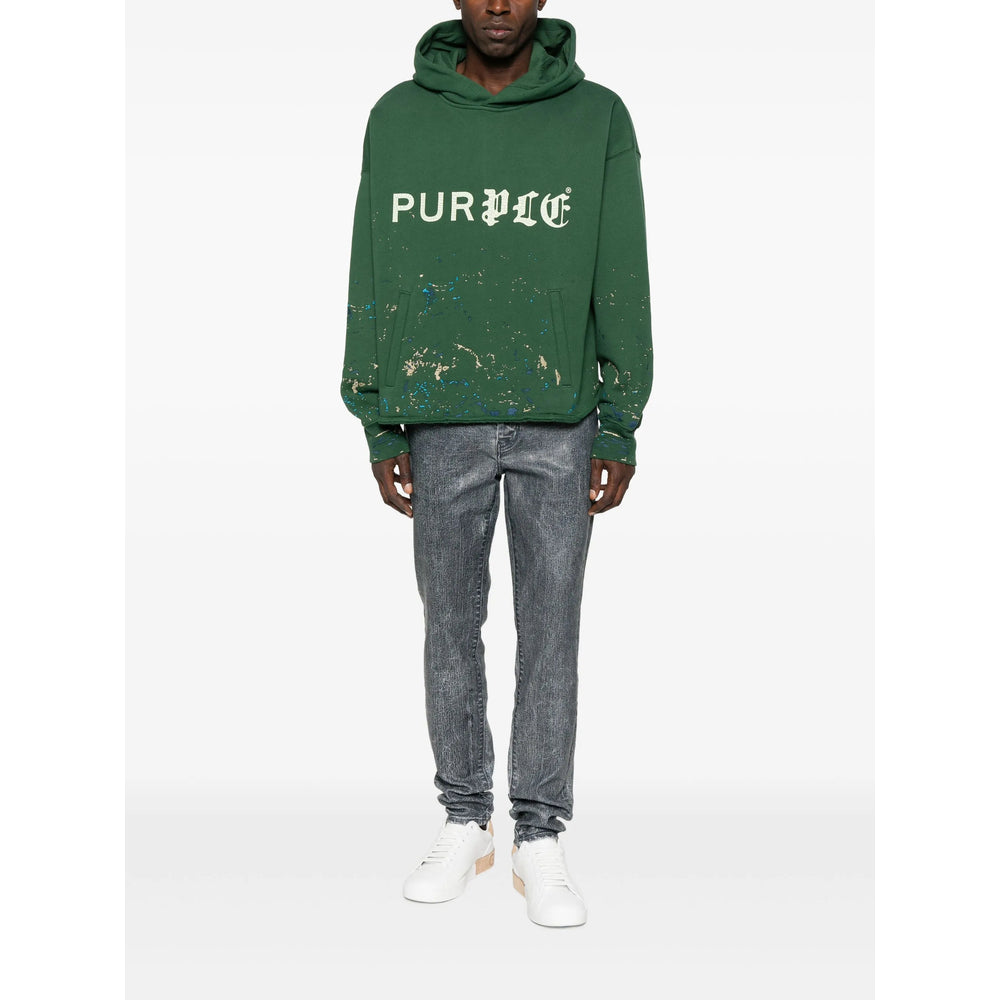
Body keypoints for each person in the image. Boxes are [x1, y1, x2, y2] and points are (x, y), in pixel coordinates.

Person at [340, 0, 653, 928]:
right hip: (440, 413)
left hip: (562, 416)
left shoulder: (597, 116)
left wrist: (620, 421)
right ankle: (464, 816)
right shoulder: (399, 116)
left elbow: (622, 267)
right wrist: (378, 416)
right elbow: (372, 263)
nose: (500, 5)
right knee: (450, 625)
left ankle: (539, 833)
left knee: (550, 628)